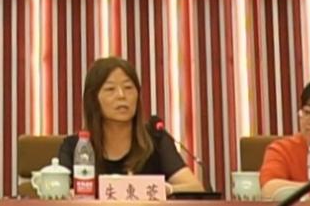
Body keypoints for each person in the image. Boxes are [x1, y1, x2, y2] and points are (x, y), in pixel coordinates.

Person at [56, 56, 203, 194]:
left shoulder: (155, 139)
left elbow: (195, 188)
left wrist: (163, 190)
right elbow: (59, 193)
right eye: (110, 89)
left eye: (128, 88)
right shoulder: (75, 147)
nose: (121, 95)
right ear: (93, 100)